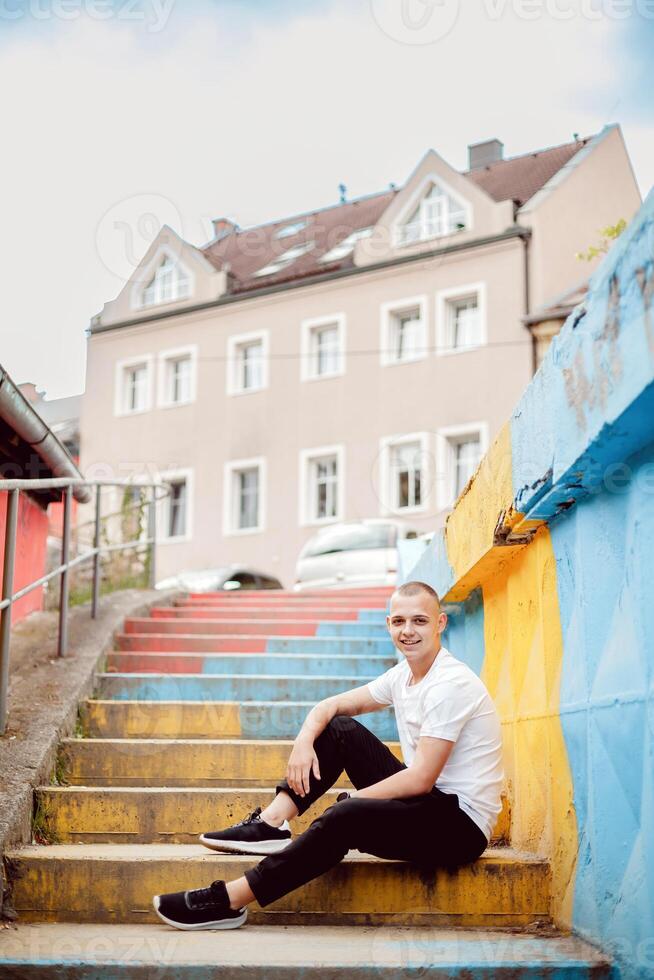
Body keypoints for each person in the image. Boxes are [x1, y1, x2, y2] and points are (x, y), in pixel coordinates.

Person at [153, 580, 504, 930]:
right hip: (428, 802)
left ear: (440, 623)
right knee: (339, 729)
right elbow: (332, 706)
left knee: (346, 816)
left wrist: (350, 801)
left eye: (419, 621)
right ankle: (271, 823)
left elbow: (420, 778)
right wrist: (303, 740)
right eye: (399, 621)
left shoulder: (449, 684)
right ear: (388, 625)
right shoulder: (404, 676)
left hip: (460, 827)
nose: (408, 631)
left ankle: (227, 900)